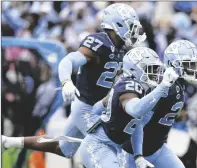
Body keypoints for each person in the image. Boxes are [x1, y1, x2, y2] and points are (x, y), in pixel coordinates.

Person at [2, 3, 146, 159]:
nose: (133, 30)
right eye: (130, 25)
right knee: (109, 148)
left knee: (63, 149)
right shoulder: (98, 43)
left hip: (98, 108)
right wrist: (66, 82)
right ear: (117, 25)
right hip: (86, 107)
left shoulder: (122, 48)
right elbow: (67, 61)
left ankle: (8, 142)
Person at [78, 46, 181, 168]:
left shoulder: (141, 90)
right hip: (100, 146)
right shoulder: (129, 86)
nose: (157, 73)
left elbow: (136, 124)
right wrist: (163, 86)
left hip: (115, 148)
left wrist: (138, 156)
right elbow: (135, 110)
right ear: (134, 70)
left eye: (157, 69)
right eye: (152, 69)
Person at [120, 40, 197, 168]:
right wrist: (137, 155)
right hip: (133, 153)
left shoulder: (178, 86)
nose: (194, 68)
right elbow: (138, 121)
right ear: (173, 64)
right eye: (189, 64)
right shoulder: (163, 86)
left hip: (158, 150)